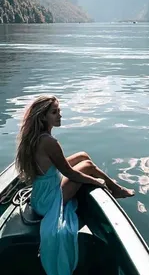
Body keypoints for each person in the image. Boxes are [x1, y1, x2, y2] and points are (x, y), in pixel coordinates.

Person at [15, 95, 135, 275]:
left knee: (82, 156)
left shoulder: (37, 138)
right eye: (54, 112)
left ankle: (115, 188)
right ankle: (116, 189)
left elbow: (59, 167)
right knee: (87, 166)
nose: (60, 116)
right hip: (49, 199)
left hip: (40, 193)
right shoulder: (49, 142)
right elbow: (69, 173)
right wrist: (96, 182)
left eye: (59, 111)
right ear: (42, 117)